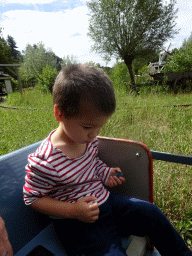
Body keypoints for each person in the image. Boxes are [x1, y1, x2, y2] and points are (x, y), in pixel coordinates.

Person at [23, 64, 192, 256]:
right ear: (59, 113)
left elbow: (92, 163)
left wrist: (105, 173)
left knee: (151, 213)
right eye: (88, 127)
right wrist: (74, 211)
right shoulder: (44, 161)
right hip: (78, 224)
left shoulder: (87, 140)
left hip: (106, 201)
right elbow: (33, 199)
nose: (94, 135)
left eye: (99, 127)